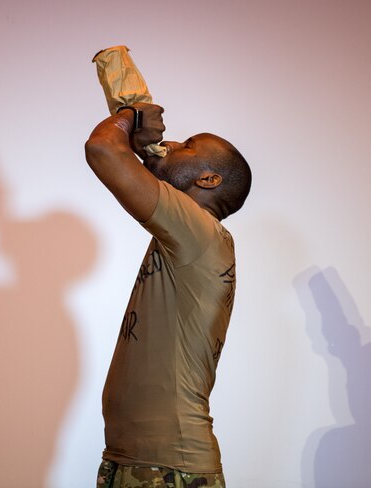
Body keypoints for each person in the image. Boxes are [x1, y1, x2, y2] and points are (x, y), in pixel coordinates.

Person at [85, 102, 251, 488]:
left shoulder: (198, 229)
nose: (172, 142)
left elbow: (104, 150)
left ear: (209, 180)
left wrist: (131, 117)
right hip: (141, 462)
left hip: (168, 469)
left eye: (188, 146)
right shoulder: (185, 235)